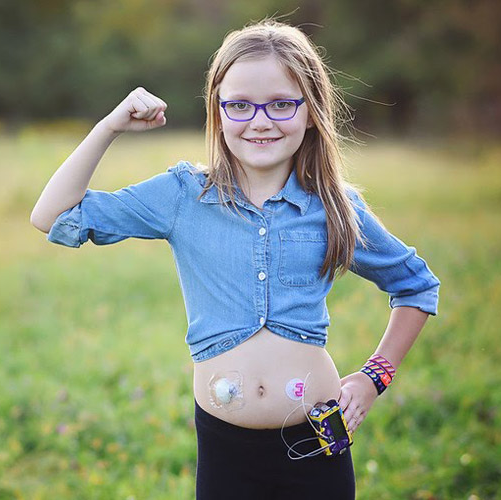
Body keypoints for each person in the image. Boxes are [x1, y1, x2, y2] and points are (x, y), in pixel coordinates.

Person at [30, 19, 440, 500]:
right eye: (240, 105)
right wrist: (109, 127)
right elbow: (52, 216)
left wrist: (376, 377)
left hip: (319, 439)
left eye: (282, 104)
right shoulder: (184, 195)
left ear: (311, 112)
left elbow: (415, 285)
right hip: (226, 447)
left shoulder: (334, 206)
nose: (260, 121)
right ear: (218, 112)